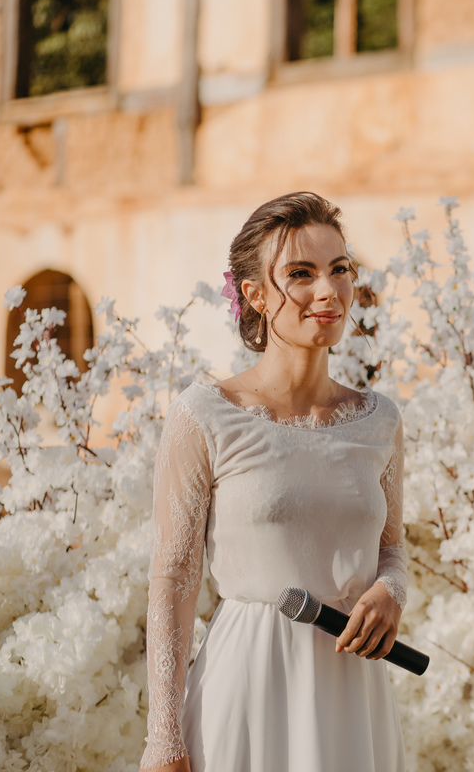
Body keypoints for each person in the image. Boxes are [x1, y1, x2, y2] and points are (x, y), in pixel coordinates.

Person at [139, 192, 409, 772]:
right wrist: (162, 736)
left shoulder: (380, 419)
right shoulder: (204, 414)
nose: (328, 291)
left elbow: (393, 550)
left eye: (340, 269)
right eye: (300, 274)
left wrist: (392, 593)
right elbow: (173, 580)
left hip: (353, 695)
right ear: (256, 295)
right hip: (247, 683)